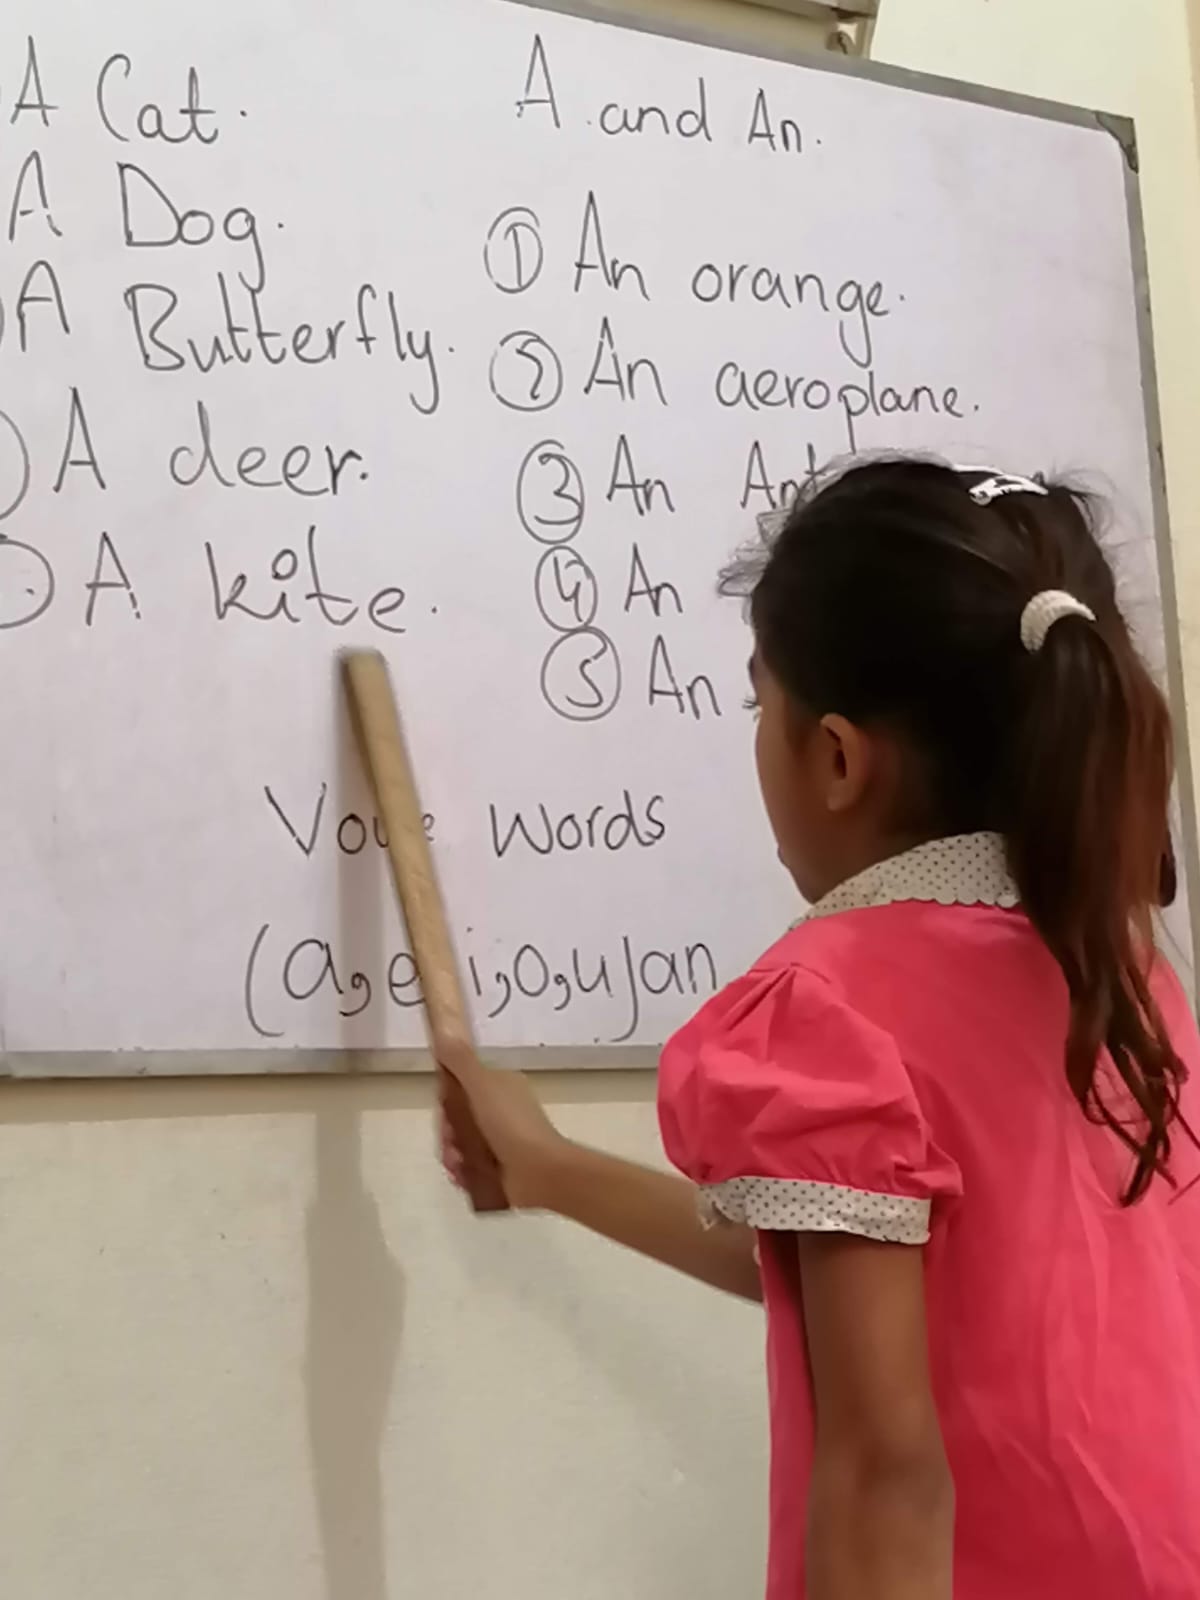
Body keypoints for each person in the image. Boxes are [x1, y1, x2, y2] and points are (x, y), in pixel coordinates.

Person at [440, 457, 1200, 1600]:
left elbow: (887, 1471)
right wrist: (548, 1166)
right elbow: (845, 1271)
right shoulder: (1122, 983)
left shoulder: (829, 1010)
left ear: (839, 759)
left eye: (761, 704)